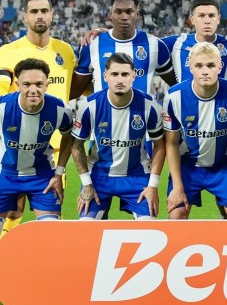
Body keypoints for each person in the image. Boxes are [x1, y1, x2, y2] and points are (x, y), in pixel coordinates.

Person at [0, 58, 73, 305]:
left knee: (50, 234)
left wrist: (59, 172)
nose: (33, 89)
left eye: (39, 84)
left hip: (42, 176)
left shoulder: (60, 109)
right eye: (27, 84)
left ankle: (44, 291)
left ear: (47, 83)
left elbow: (69, 137)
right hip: (2, 175)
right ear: (17, 84)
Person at [0, 0, 77, 237]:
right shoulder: (9, 51)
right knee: (13, 210)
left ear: (52, 15)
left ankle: (46, 258)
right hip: (16, 145)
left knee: (52, 211)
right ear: (25, 17)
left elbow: (80, 86)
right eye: (34, 11)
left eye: (44, 11)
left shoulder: (66, 52)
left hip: (55, 149)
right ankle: (3, 256)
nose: (40, 15)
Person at [70, 53, 165, 220]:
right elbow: (76, 146)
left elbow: (159, 145)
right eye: (114, 74)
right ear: (105, 76)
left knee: (148, 226)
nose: (120, 80)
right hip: (99, 176)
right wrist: (86, 183)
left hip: (136, 176)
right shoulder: (89, 105)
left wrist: (153, 185)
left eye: (125, 74)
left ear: (133, 76)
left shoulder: (149, 105)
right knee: (85, 226)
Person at [164, 42, 227, 219]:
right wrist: (177, 187)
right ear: (190, 67)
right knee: (176, 216)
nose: (205, 71)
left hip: (222, 166)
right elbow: (171, 144)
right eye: (199, 66)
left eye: (210, 65)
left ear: (220, 67)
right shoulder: (174, 96)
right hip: (188, 166)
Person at [70, 0, 175, 98]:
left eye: (129, 12)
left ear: (137, 15)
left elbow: (177, 85)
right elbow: (75, 91)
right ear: (111, 15)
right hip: (102, 109)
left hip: (141, 109)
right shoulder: (92, 44)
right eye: (118, 12)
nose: (124, 17)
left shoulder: (155, 45)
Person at [163, 0, 227, 83]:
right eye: (201, 16)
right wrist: (173, 84)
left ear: (218, 19)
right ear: (192, 19)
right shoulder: (177, 42)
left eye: (211, 16)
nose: (207, 21)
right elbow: (153, 45)